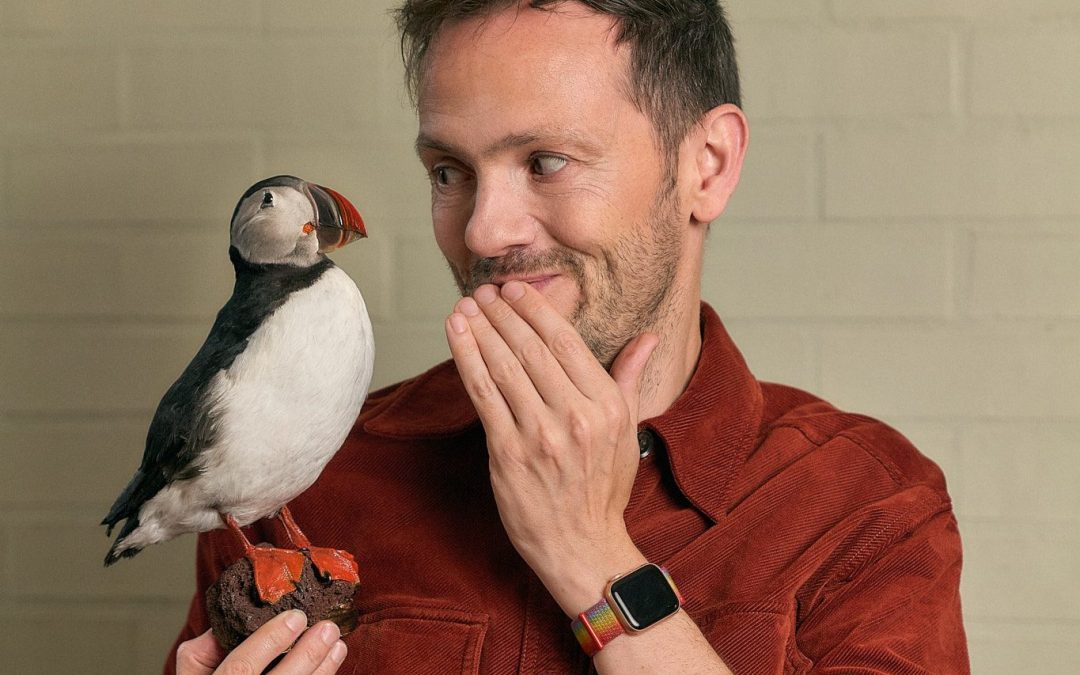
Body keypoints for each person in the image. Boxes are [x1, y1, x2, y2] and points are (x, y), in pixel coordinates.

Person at [168, 1, 969, 673]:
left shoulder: (867, 511)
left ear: (708, 164)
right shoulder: (299, 478)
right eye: (449, 171)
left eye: (546, 161)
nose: (483, 231)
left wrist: (591, 554)